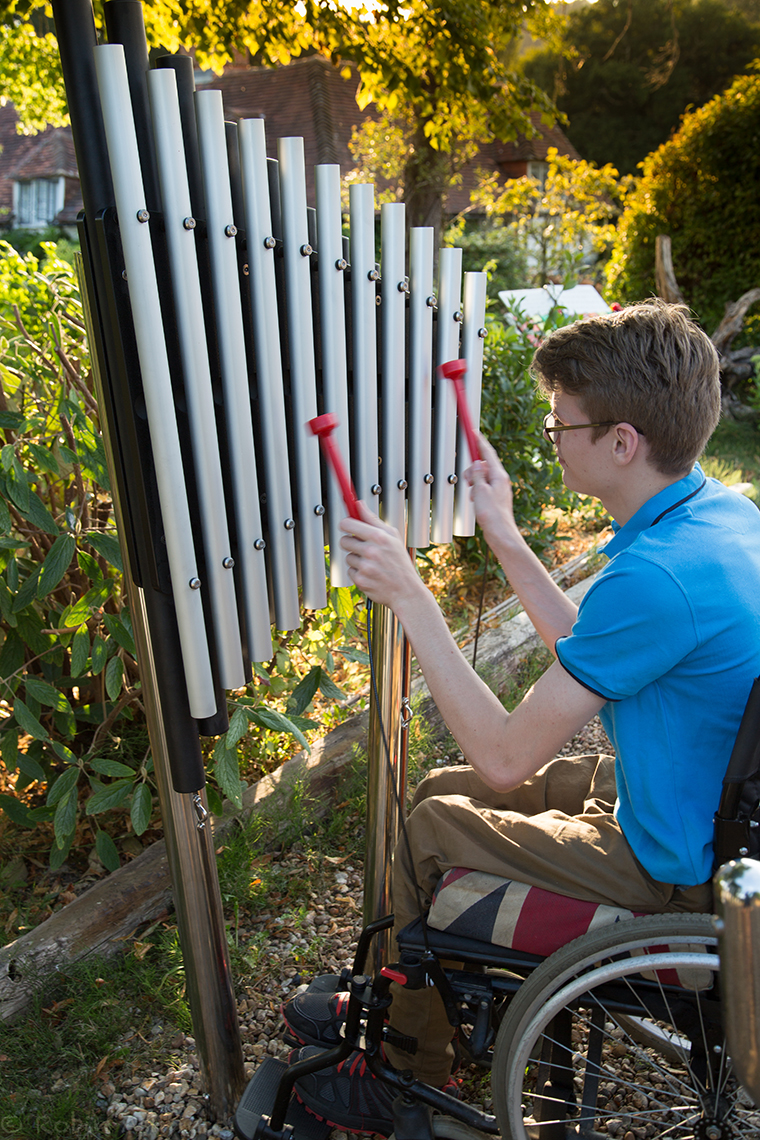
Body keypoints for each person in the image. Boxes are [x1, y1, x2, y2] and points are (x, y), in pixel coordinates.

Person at [285, 300, 760, 1134]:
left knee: (433, 825)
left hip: (677, 861)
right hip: (707, 799)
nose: (551, 437)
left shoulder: (659, 577)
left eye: (561, 425)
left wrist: (412, 596)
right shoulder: (722, 519)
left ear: (623, 442)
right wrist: (505, 536)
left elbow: (507, 757)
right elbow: (602, 648)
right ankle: (412, 1003)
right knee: (442, 781)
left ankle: (403, 1068)